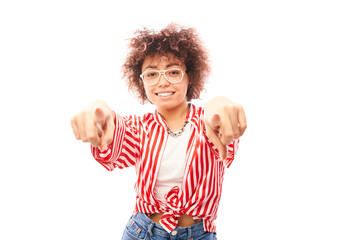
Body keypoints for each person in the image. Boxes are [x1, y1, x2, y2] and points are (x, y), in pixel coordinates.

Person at [71, 23, 247, 240]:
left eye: (173, 71)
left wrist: (218, 104)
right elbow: (115, 140)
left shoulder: (210, 122)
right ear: (141, 82)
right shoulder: (139, 127)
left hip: (198, 235)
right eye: (152, 74)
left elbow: (226, 142)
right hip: (143, 232)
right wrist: (98, 113)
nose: (163, 82)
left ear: (190, 76)